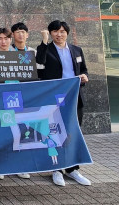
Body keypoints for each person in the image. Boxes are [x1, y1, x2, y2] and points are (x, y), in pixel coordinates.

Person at [36, 20, 91, 187]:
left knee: (74, 132)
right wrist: (44, 42)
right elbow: (39, 65)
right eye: (55, 31)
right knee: (55, 132)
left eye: (62, 31)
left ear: (67, 32)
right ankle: (57, 169)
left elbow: (83, 70)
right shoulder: (45, 49)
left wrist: (84, 77)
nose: (59, 34)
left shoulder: (76, 50)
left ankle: (73, 169)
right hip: (54, 98)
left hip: (74, 97)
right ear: (51, 33)